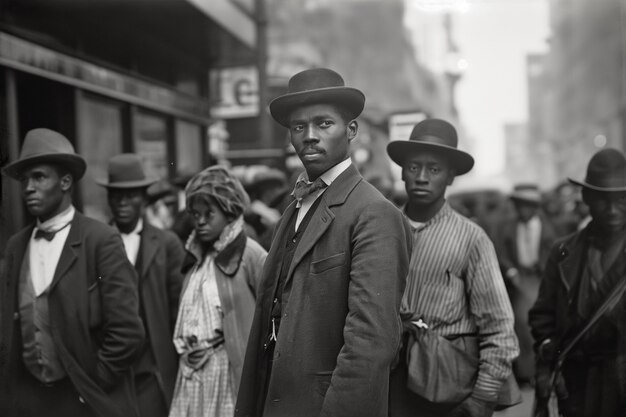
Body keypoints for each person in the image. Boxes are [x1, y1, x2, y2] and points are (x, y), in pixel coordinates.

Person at [235, 68, 412, 417]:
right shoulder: (295, 206)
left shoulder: (373, 212)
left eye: (324, 124)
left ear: (351, 130)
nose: (310, 136)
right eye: (299, 127)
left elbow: (371, 342)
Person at [0, 129, 145, 417]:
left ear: (65, 182)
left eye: (39, 177)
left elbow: (128, 333)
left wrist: (90, 385)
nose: (29, 187)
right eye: (24, 180)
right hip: (29, 402)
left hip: (84, 401)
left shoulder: (100, 240)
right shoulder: (16, 245)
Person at [386, 118, 518, 417]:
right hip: (388, 382)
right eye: (413, 167)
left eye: (434, 169)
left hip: (447, 387)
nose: (421, 177)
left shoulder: (471, 238)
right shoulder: (380, 230)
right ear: (403, 171)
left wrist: (482, 397)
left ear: (450, 177)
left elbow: (498, 326)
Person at [529, 148, 626, 417]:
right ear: (587, 198)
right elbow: (543, 316)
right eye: (603, 199)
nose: (612, 210)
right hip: (577, 382)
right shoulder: (563, 252)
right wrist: (550, 355)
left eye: (622, 199)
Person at [169, 166, 267, 417]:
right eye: (195, 214)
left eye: (208, 214)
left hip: (227, 373)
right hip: (192, 373)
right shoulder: (196, 258)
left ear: (229, 211)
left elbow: (270, 316)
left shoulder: (251, 254)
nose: (200, 221)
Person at [97, 153, 185, 417]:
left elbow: (178, 309)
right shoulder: (95, 242)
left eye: (131, 195)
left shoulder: (166, 244)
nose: (123, 202)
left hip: (154, 367)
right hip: (112, 369)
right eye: (116, 195)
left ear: (144, 199)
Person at [495, 183, 557, 383]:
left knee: (544, 322)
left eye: (526, 205)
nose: (522, 210)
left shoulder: (547, 227)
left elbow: (555, 251)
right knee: (522, 323)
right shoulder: (509, 227)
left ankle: (545, 367)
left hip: (541, 277)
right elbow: (501, 252)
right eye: (519, 205)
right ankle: (526, 372)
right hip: (520, 278)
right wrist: (511, 271)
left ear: (535, 207)